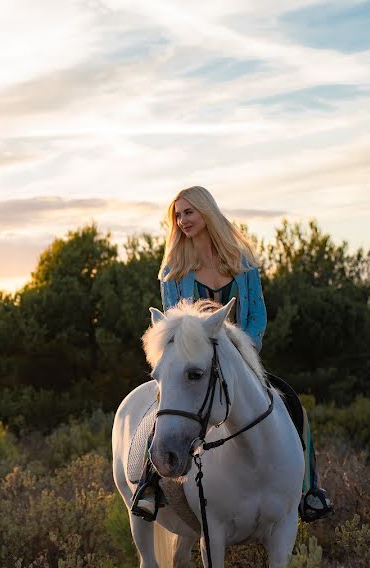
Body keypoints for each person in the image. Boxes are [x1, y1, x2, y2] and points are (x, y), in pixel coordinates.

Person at [132, 186, 333, 523]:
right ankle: (150, 487)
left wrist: (242, 351)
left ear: (206, 212)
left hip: (240, 362)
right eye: (178, 215)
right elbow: (175, 327)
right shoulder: (173, 273)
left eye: (189, 212)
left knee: (293, 405)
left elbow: (257, 315)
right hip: (195, 364)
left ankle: (310, 491)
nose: (183, 221)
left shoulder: (243, 264)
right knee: (162, 410)